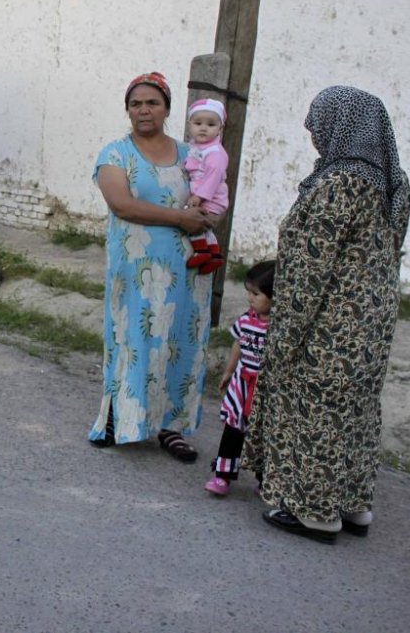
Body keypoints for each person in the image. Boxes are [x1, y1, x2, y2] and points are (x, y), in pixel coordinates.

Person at [245, 86, 410, 544]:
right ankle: (354, 506)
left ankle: (315, 514)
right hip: (373, 322)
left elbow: (309, 269)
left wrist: (286, 337)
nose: (313, 133)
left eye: (318, 124)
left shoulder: (339, 184)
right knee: (356, 411)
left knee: (316, 412)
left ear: (341, 126)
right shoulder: (393, 182)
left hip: (330, 324)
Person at [89, 72, 214, 462]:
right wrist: (180, 218)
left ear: (167, 109)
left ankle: (172, 428)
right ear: (127, 110)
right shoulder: (115, 154)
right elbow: (122, 205)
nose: (144, 110)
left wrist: (207, 215)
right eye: (136, 104)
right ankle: (119, 418)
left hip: (187, 269)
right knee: (133, 338)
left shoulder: (191, 155)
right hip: (136, 270)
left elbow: (212, 195)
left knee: (180, 343)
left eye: (152, 103)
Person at [204, 260, 275, 496]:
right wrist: (228, 371)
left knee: (264, 435)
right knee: (233, 430)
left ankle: (266, 481)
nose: (250, 298)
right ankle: (222, 475)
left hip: (264, 389)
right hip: (241, 385)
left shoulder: (279, 328)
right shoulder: (246, 320)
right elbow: (238, 344)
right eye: (249, 292)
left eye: (256, 294)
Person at [184, 98, 229, 274]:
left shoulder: (215, 152)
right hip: (204, 197)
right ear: (190, 124)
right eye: (198, 123)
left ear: (220, 128)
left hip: (211, 199)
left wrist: (198, 196)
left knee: (192, 221)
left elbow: (213, 177)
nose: (203, 128)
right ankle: (214, 254)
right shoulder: (195, 147)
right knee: (205, 227)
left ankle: (201, 250)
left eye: (211, 124)